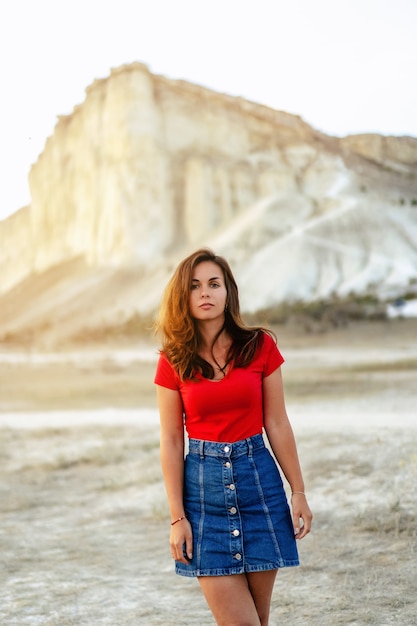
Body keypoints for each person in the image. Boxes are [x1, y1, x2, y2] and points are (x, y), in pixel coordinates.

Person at [154, 248, 312, 626]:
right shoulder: (172, 360)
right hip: (203, 497)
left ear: (228, 292)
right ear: (184, 297)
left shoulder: (259, 346)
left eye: (213, 284)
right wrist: (178, 518)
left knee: (258, 620)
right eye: (194, 286)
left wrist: (299, 491)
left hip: (260, 488)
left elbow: (276, 422)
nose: (205, 292)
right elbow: (173, 441)